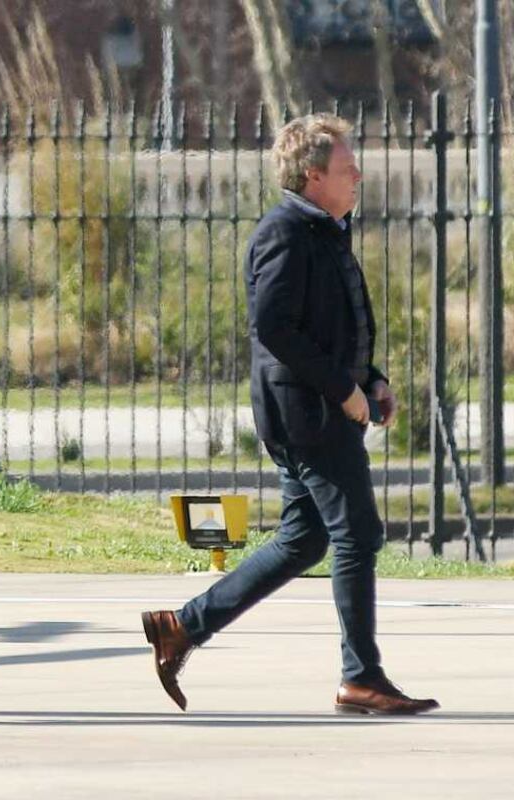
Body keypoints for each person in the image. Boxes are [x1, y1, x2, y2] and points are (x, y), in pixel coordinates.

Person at [141, 114, 438, 716]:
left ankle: (184, 626)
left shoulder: (324, 230)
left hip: (316, 407)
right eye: (347, 166)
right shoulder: (285, 233)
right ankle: (361, 678)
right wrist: (342, 391)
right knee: (357, 534)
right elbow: (274, 327)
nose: (358, 175)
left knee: (304, 540)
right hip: (308, 412)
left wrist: (370, 379)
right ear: (312, 176)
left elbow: (330, 326)